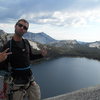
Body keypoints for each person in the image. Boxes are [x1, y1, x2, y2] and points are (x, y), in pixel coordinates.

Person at [0, 19, 47, 100]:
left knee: (36, 95)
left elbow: (30, 57)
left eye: (25, 28)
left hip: (29, 79)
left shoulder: (26, 42)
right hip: (16, 83)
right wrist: (0, 60)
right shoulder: (8, 45)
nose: (22, 28)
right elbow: (3, 68)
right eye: (20, 25)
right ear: (15, 26)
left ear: (26, 31)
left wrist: (41, 55)